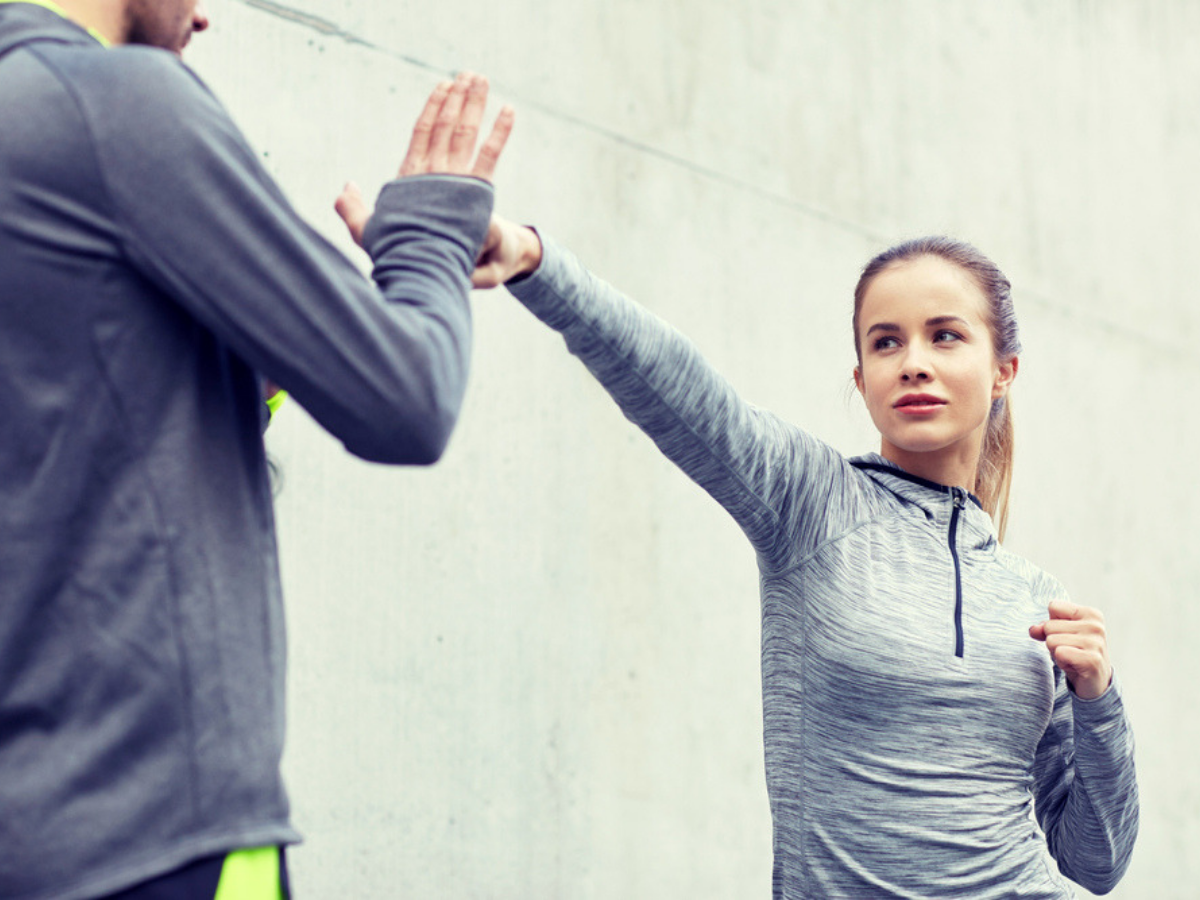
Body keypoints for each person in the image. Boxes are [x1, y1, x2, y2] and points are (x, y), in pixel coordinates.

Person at [447, 217, 1140, 897]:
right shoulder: (812, 504)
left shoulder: (1034, 597)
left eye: (945, 336)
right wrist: (537, 263)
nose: (914, 363)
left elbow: (1093, 862)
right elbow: (683, 390)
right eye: (886, 342)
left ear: (1002, 373)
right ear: (862, 377)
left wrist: (1099, 701)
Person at [0, 0, 514, 895]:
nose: (203, 17)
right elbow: (406, 395)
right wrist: (430, 230)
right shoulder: (117, 103)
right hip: (154, 838)